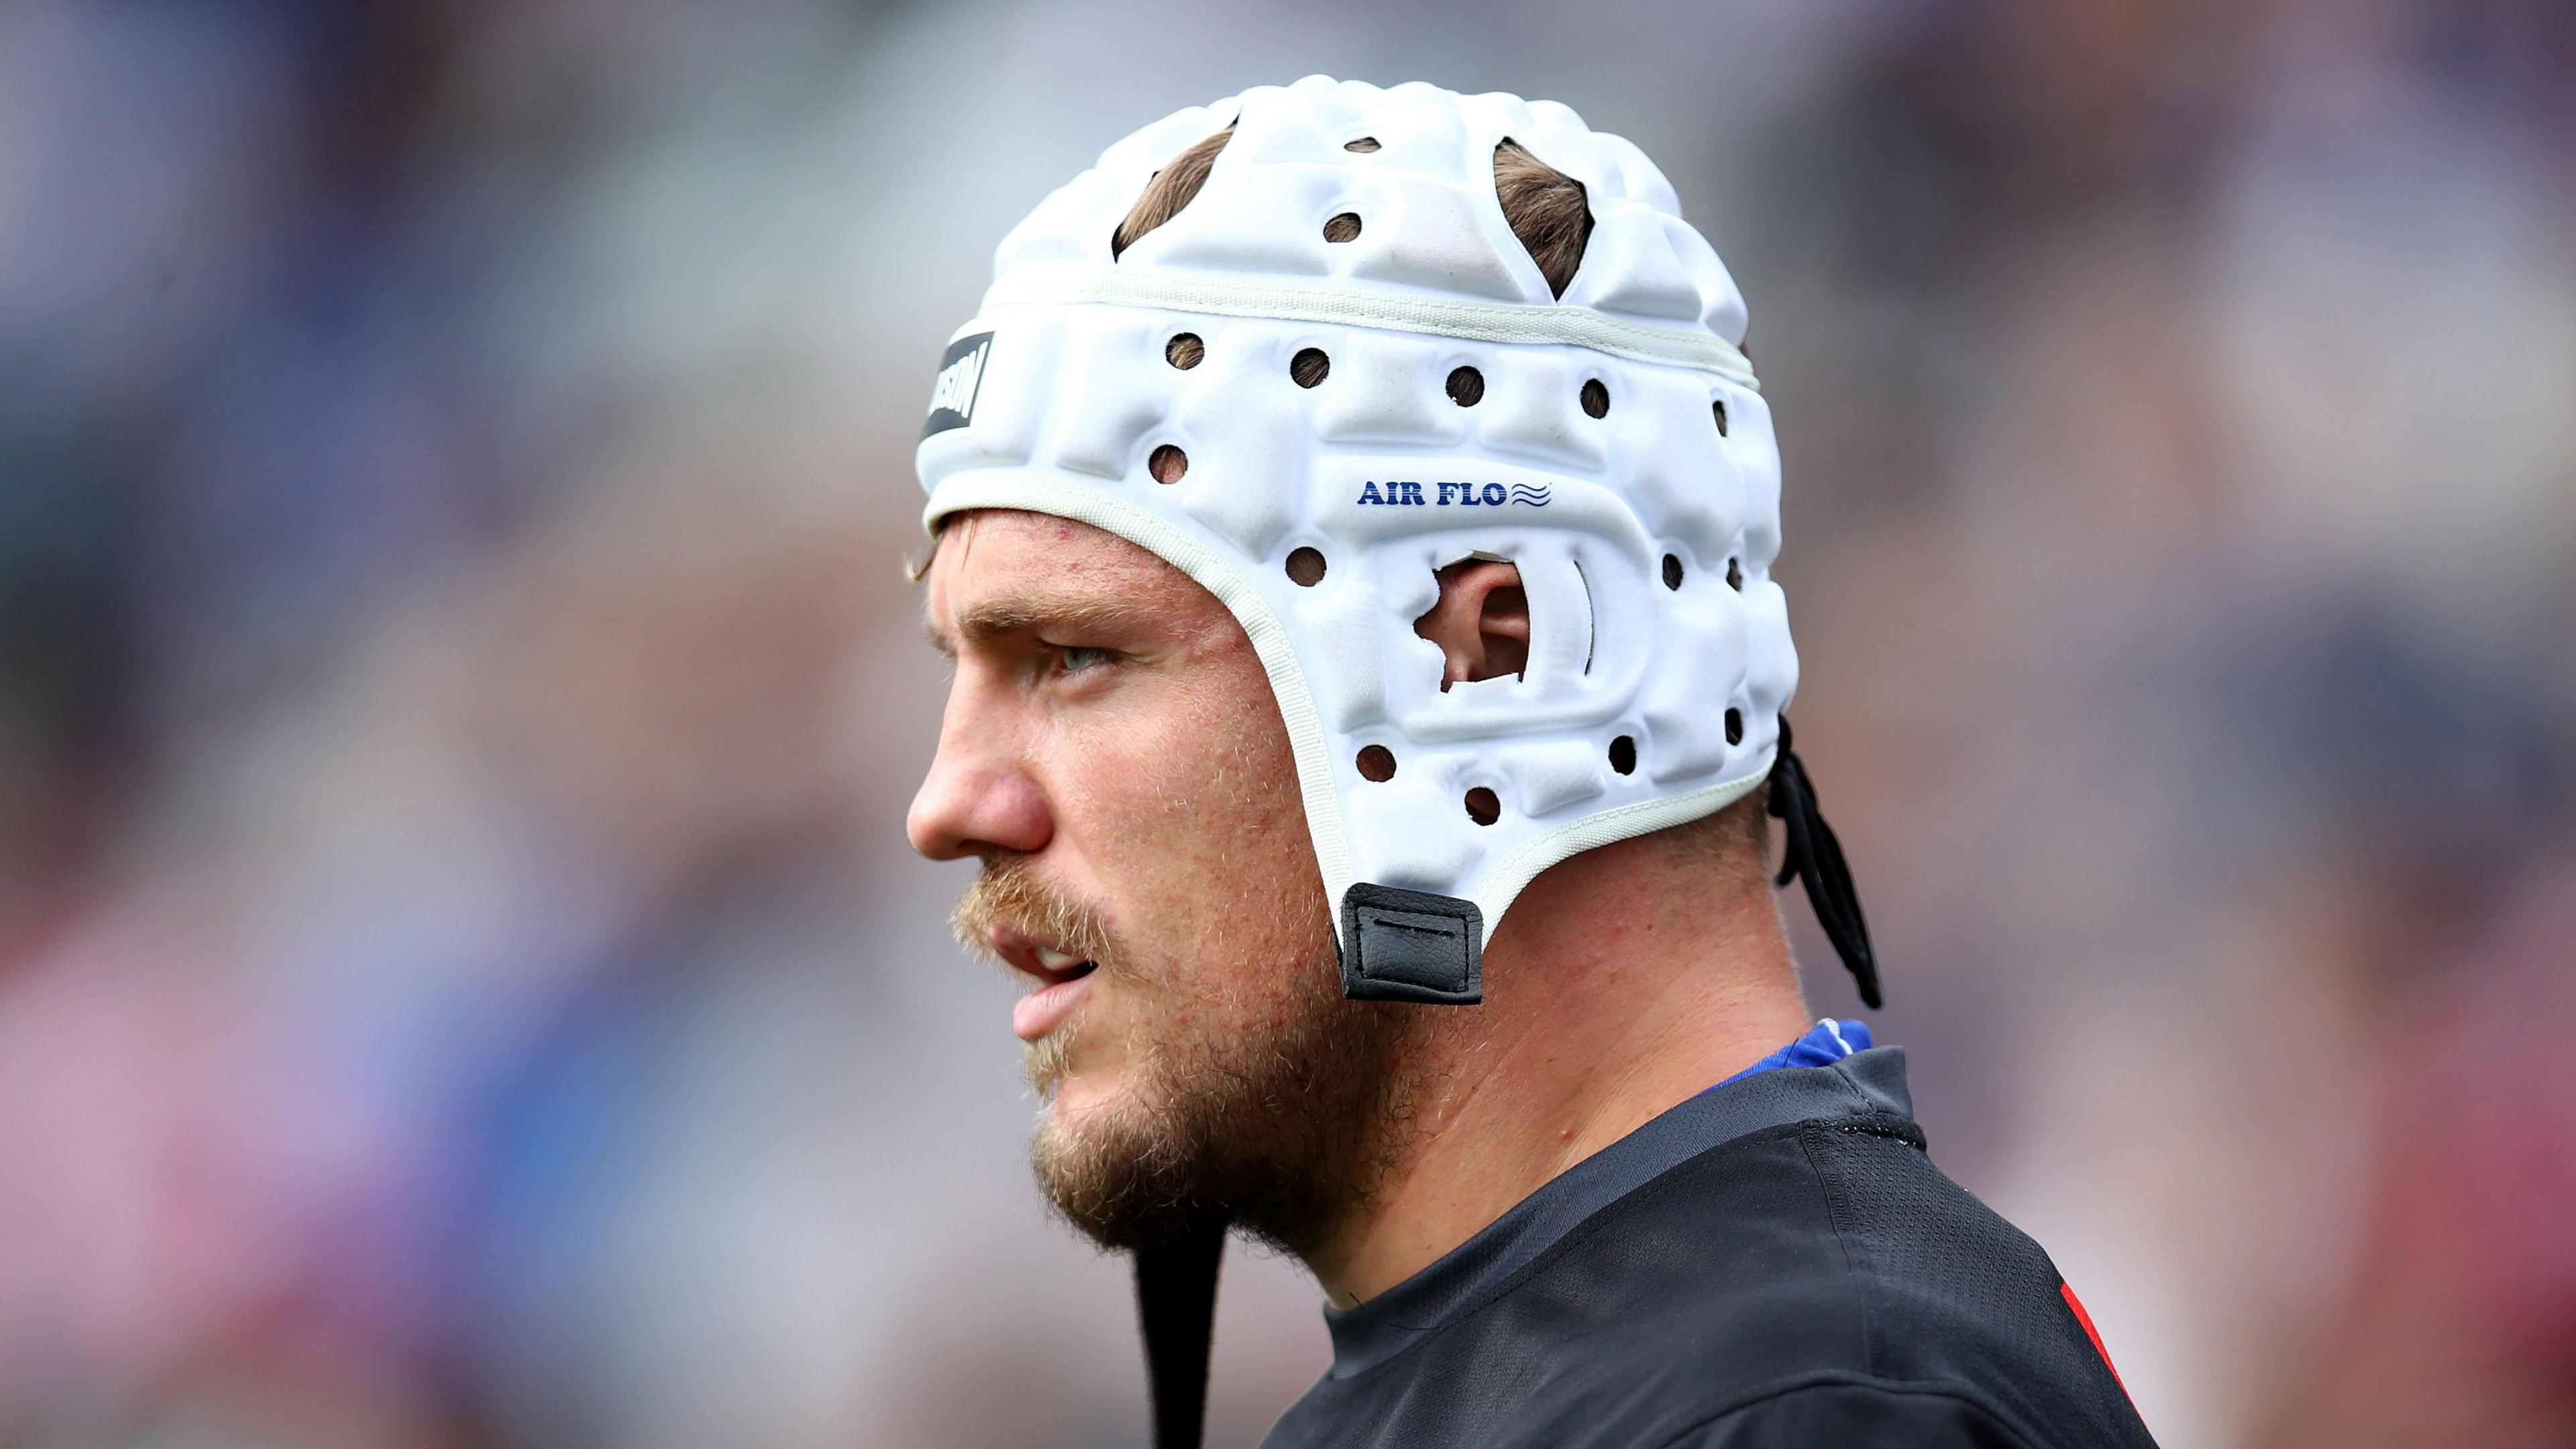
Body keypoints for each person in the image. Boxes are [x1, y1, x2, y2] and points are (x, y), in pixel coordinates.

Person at [906, 77, 2157, 1448]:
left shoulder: (1802, 1406)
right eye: (958, 669)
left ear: (1501, 652)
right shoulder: (1625, 1376)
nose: (951, 803)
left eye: (1075, 656)